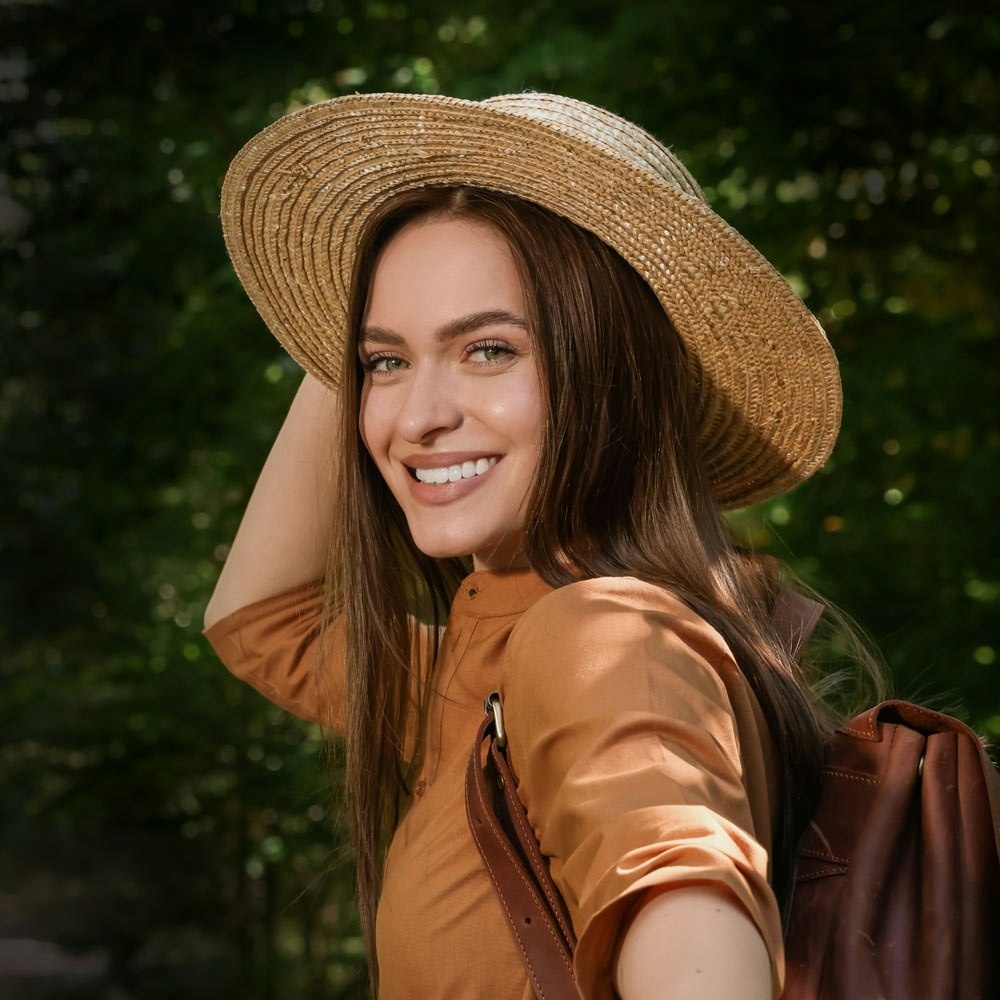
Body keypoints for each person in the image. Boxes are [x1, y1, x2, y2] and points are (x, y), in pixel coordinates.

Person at [204, 93, 869, 999]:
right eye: (384, 363)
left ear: (613, 372)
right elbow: (261, 620)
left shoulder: (600, 642)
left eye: (488, 350)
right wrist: (351, 308)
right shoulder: (490, 669)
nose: (416, 418)